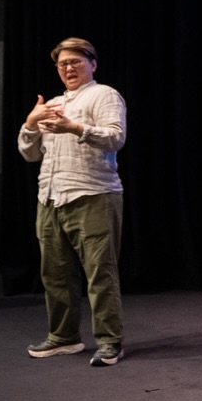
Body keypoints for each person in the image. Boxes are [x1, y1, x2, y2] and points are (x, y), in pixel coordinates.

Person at [18, 37, 127, 366]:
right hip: (50, 197)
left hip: (93, 194)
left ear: (92, 64)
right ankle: (64, 336)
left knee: (100, 272)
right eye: (62, 64)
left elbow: (116, 137)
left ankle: (109, 341)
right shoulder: (52, 103)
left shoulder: (104, 94)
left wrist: (75, 127)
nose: (68, 68)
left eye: (75, 62)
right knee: (55, 274)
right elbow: (29, 154)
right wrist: (30, 123)